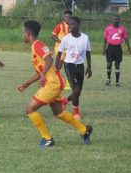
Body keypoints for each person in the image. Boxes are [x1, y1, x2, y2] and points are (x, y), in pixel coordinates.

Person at [18, 20, 92, 148]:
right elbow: (40, 70)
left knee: (30, 109)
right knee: (59, 113)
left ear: (28, 33)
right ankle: (84, 130)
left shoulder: (37, 45)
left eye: (23, 32)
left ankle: (47, 139)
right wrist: (27, 84)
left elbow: (49, 59)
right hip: (55, 81)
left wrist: (43, 76)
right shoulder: (35, 46)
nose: (22, 35)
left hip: (52, 83)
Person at [55, 17, 92, 120]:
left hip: (80, 65)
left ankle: (65, 101)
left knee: (78, 91)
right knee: (75, 89)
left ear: (78, 25)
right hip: (69, 65)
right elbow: (59, 53)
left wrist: (89, 66)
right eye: (69, 25)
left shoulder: (85, 38)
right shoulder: (66, 38)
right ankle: (76, 112)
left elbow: (88, 52)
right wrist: (56, 67)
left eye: (72, 24)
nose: (70, 26)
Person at [102, 15, 131, 87]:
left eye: (117, 19)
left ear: (119, 20)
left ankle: (117, 82)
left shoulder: (122, 29)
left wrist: (129, 48)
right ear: (112, 20)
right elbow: (105, 39)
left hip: (118, 48)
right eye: (114, 19)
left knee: (117, 65)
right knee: (109, 64)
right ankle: (108, 79)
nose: (115, 20)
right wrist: (103, 49)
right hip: (110, 48)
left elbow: (126, 38)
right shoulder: (108, 29)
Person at [51, 10, 72, 90]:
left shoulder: (72, 26)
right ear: (64, 17)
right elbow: (52, 36)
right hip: (60, 50)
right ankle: (54, 80)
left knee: (69, 66)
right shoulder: (60, 26)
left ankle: (67, 83)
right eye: (66, 17)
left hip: (69, 50)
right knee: (59, 66)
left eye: (69, 17)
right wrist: (61, 42)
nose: (67, 18)